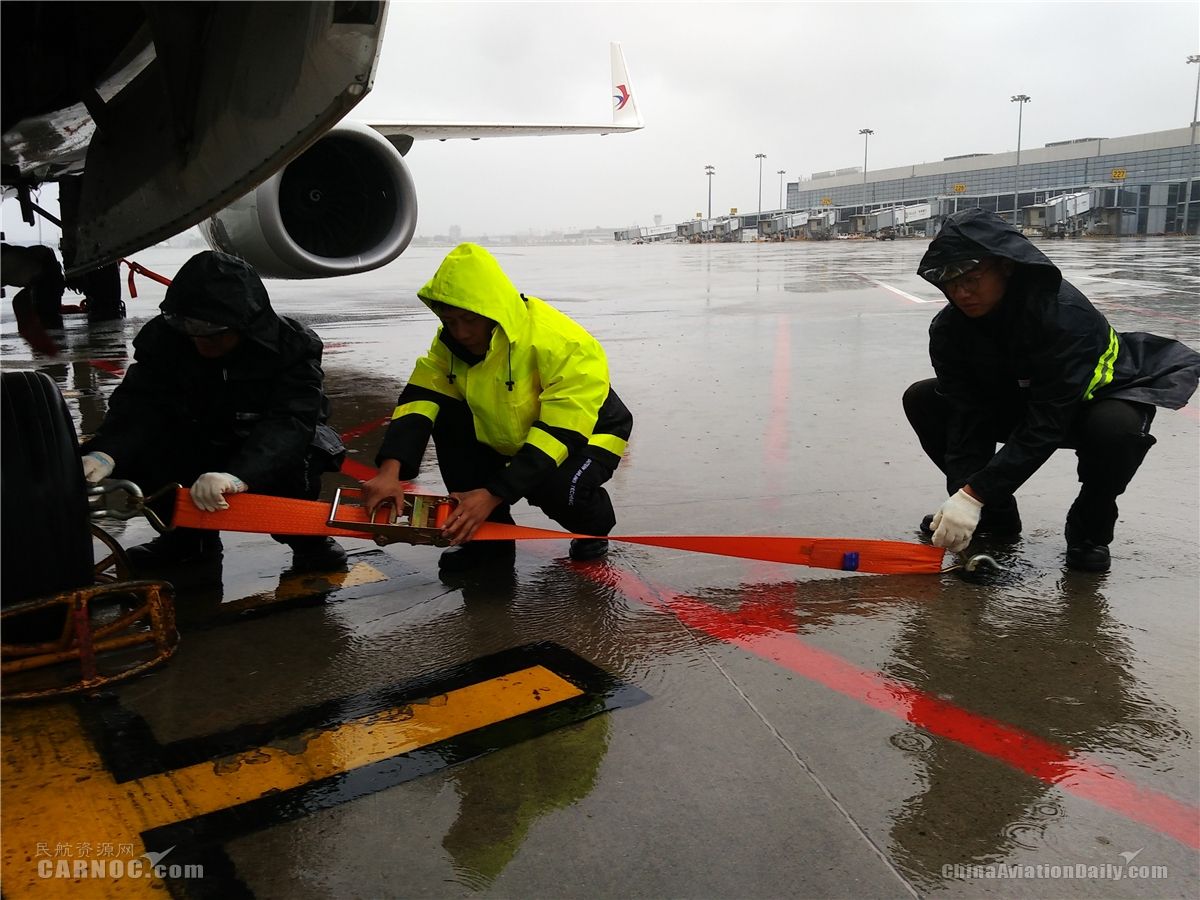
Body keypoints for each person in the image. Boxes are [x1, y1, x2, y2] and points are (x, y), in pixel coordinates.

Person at [903, 208, 1200, 572]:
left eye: (973, 278)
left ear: (1005, 266)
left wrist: (974, 494)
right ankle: (997, 519)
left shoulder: (1064, 316)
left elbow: (1048, 420)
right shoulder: (950, 330)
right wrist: (966, 496)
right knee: (923, 399)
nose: (961, 293)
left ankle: (1089, 531)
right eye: (950, 283)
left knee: (1116, 430)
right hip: (1023, 400)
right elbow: (968, 415)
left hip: (1091, 403)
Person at [361, 243, 632, 572]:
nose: (460, 333)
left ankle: (595, 528)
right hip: (511, 431)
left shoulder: (564, 343)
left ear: (494, 312)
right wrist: (390, 473)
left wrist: (493, 493)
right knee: (447, 414)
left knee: (554, 487)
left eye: (469, 320)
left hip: (588, 432)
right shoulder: (451, 341)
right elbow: (420, 398)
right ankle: (491, 544)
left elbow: (560, 432)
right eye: (450, 321)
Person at [79, 251, 348, 572]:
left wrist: (240, 476)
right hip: (197, 436)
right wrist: (107, 452)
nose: (200, 341)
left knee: (301, 455)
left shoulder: (292, 346)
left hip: (262, 442)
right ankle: (186, 542)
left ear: (245, 323)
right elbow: (140, 404)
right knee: (143, 452)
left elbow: (289, 422)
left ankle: (306, 538)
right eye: (190, 327)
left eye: (213, 331)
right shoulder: (166, 339)